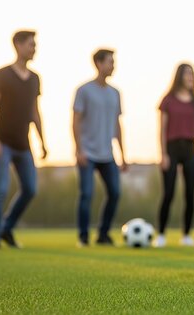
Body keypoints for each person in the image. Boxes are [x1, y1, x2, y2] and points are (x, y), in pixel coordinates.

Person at [0, 30, 47, 250]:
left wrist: (42, 141)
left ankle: (6, 228)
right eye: (31, 44)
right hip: (1, 142)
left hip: (23, 144)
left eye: (35, 45)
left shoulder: (34, 79)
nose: (34, 49)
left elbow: (34, 111)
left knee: (30, 189)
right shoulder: (1, 75)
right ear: (18, 45)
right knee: (0, 189)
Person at [72, 49, 127, 247]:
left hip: (107, 154)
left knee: (115, 193)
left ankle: (103, 234)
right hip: (88, 152)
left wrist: (122, 154)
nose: (113, 65)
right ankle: (83, 236)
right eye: (110, 62)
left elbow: (117, 124)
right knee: (86, 194)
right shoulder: (84, 90)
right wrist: (79, 149)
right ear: (98, 63)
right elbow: (75, 121)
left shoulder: (115, 93)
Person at [156, 63, 194, 247]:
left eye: (192, 74)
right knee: (168, 193)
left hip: (190, 149)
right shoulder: (168, 100)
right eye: (187, 73)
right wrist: (163, 154)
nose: (190, 77)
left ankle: (186, 234)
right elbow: (162, 129)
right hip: (171, 148)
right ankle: (161, 234)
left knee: (190, 194)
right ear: (179, 76)